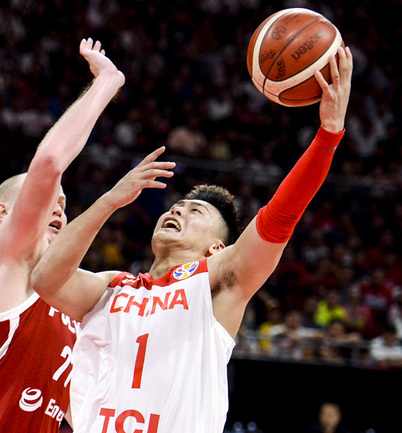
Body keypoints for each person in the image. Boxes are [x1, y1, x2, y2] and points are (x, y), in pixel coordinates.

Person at [31, 47, 352, 433]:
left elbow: (279, 218)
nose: (178, 211)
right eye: (178, 207)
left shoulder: (218, 281)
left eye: (195, 212)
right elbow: (45, 278)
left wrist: (328, 134)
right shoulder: (111, 286)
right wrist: (109, 201)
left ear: (217, 247)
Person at [0, 38, 125, 433]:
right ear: (4, 213)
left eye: (64, 202)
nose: (58, 206)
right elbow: (48, 163)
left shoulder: (69, 302)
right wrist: (105, 84)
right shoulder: (5, 262)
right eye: (48, 201)